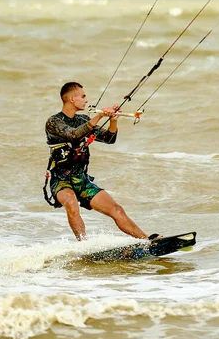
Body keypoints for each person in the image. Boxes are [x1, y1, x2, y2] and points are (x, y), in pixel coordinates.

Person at [45, 81, 155, 241]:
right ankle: (84, 245)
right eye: (83, 96)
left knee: (116, 209)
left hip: (81, 180)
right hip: (61, 181)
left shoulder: (82, 119)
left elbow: (109, 139)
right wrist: (100, 115)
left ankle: (147, 241)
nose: (86, 100)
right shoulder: (54, 122)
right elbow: (74, 134)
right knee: (71, 203)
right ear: (71, 99)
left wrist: (113, 120)